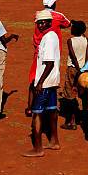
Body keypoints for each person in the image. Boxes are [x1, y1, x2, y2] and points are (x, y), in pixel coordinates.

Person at [23, 10, 61, 157]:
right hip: (51, 81)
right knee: (52, 110)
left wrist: (39, 83)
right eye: (38, 22)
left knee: (37, 114)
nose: (40, 24)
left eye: (43, 22)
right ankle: (54, 141)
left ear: (50, 22)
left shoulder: (49, 38)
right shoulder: (51, 36)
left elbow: (49, 63)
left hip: (45, 82)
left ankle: (38, 148)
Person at [26, 0, 71, 117]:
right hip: (52, 51)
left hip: (38, 50)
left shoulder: (38, 15)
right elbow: (68, 24)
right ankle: (45, 108)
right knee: (49, 79)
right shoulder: (58, 16)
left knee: (34, 77)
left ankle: (30, 107)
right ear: (54, 5)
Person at [61, 20, 88, 131]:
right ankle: (84, 118)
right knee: (83, 94)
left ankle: (71, 121)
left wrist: (78, 69)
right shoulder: (86, 40)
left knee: (71, 95)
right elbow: (87, 56)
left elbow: (73, 57)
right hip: (84, 69)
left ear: (75, 30)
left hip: (73, 69)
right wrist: (84, 70)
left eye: (72, 27)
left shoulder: (70, 41)